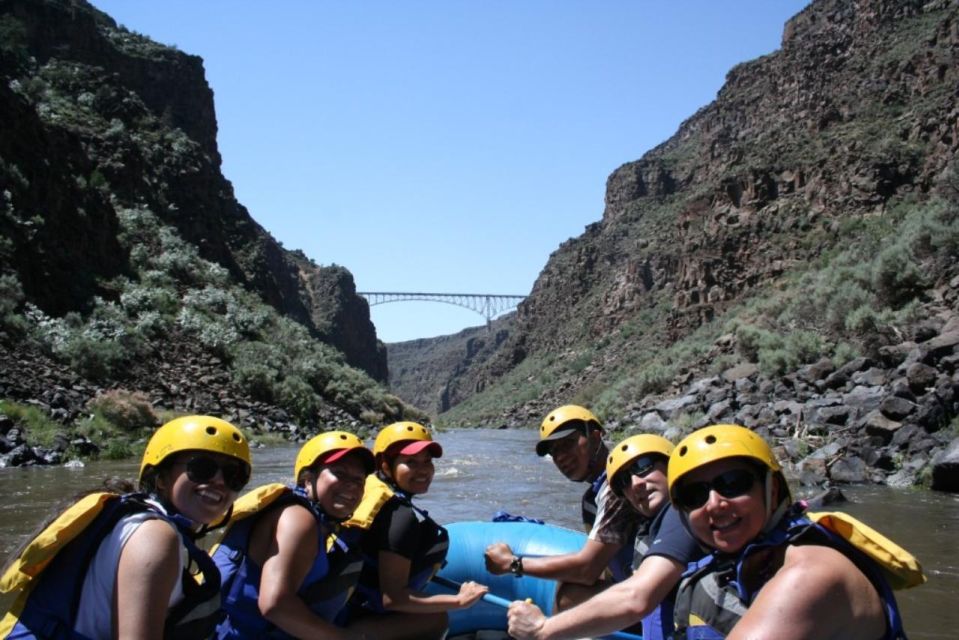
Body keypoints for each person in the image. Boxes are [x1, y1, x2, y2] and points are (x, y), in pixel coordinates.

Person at [0, 415, 251, 640]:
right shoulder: (155, 535)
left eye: (234, 475)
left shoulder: (130, 518)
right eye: (202, 468)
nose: (220, 481)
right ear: (161, 478)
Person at [667, 423, 919, 639]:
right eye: (694, 495)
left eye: (733, 483)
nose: (714, 504)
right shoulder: (751, 562)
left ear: (772, 490)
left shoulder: (809, 574)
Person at [507, 433, 704, 640]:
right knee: (568, 591)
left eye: (643, 466)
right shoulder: (649, 526)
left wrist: (544, 628)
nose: (635, 484)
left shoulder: (681, 515)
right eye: (624, 481)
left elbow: (635, 598)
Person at [212, 430, 375, 639]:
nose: (352, 484)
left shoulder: (318, 522)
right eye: (339, 474)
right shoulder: (298, 519)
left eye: (359, 479)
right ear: (307, 480)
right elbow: (275, 605)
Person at [341, 421, 488, 639]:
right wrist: (459, 600)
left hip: (344, 606)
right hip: (349, 620)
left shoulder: (363, 491)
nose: (423, 470)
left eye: (427, 461)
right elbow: (393, 599)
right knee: (435, 619)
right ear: (385, 466)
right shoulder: (400, 517)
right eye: (411, 462)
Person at [485, 405, 637, 609]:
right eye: (554, 451)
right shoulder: (592, 497)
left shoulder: (618, 487)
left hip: (653, 597)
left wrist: (513, 564)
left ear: (595, 437)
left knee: (569, 596)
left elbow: (587, 569)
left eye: (568, 443)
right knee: (569, 587)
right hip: (632, 583)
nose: (561, 457)